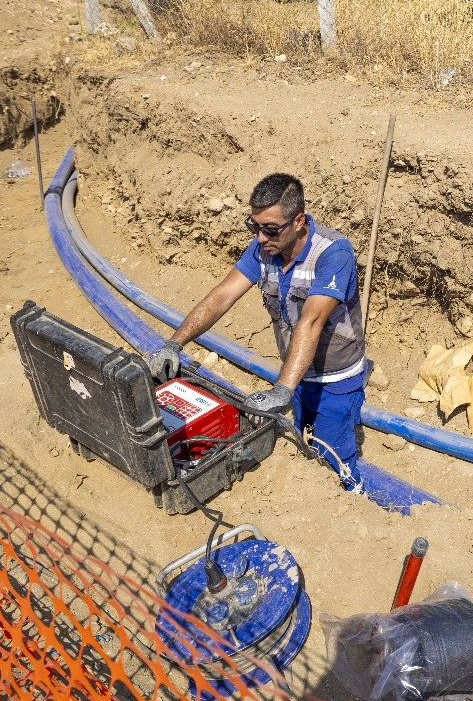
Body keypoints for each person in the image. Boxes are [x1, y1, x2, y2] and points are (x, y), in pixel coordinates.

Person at [148, 172, 369, 491]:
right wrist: (174, 343)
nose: (261, 238)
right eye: (254, 227)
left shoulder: (333, 254)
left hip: (335, 378)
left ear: (298, 222)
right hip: (297, 373)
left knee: (335, 455)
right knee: (306, 441)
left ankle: (351, 495)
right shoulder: (265, 248)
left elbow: (311, 322)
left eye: (270, 229)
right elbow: (222, 296)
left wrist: (281, 389)